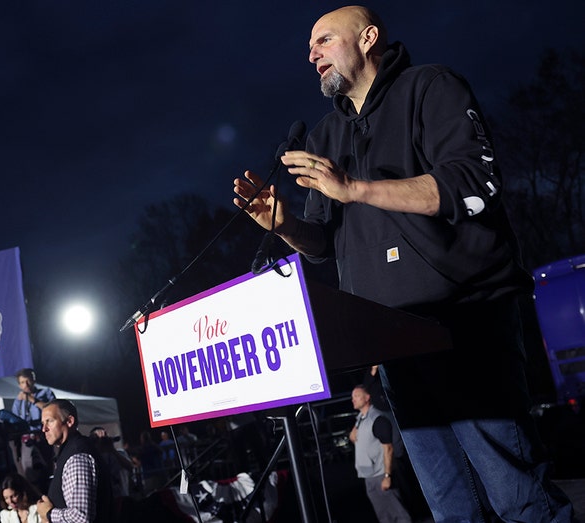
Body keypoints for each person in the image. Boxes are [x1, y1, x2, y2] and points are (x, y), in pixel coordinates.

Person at [232, 6, 573, 521]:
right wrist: (281, 224)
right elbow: (324, 242)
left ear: (368, 38)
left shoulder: (430, 87)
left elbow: (473, 184)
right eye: (309, 47)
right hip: (391, 339)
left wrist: (356, 188)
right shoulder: (324, 135)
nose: (312, 54)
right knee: (449, 506)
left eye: (324, 40)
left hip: (464, 320)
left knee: (518, 495)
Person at [36, 399, 112, 523]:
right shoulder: (69, 452)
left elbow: (81, 517)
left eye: (49, 421)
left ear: (70, 421)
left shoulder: (77, 457)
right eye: (43, 423)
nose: (44, 429)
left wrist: (49, 514)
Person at [349, 385, 411, 522]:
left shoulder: (377, 419)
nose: (353, 400)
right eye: (352, 397)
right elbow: (355, 438)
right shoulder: (360, 418)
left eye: (357, 396)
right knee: (384, 516)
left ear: (367, 397)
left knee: (399, 514)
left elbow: (388, 448)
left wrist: (387, 475)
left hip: (380, 475)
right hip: (368, 476)